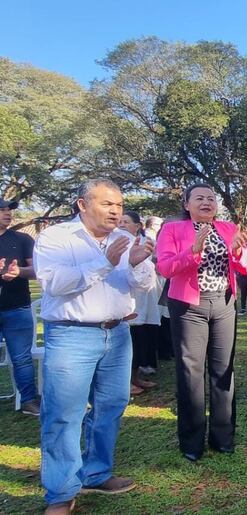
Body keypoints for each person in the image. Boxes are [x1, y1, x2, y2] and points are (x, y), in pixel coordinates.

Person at [35, 179, 156, 514]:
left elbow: (145, 286)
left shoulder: (125, 239)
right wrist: (104, 263)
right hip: (72, 335)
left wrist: (136, 263)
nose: (115, 211)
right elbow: (55, 283)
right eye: (107, 204)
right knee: (64, 415)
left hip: (117, 334)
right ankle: (60, 494)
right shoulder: (56, 238)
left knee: (111, 406)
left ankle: (96, 472)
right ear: (82, 204)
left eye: (119, 204)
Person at [156, 183, 247, 462]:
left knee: (224, 371)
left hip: (223, 304)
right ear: (186, 204)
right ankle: (192, 441)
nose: (207, 202)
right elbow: (164, 268)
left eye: (211, 198)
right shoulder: (173, 230)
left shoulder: (227, 228)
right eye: (199, 198)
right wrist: (193, 251)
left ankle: (223, 438)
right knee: (191, 372)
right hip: (189, 306)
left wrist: (237, 251)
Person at [0, 199, 39, 415]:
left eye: (9, 210)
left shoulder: (22, 239)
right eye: (2, 210)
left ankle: (29, 400)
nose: (7, 214)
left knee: (22, 358)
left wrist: (18, 272)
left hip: (17, 308)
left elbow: (35, 270)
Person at [118, 211, 161, 395]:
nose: (121, 225)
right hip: (124, 300)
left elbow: (153, 268)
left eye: (126, 222)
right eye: (119, 222)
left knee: (140, 339)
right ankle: (124, 382)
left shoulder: (146, 243)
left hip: (144, 298)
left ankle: (135, 377)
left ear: (138, 226)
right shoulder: (116, 244)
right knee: (127, 341)